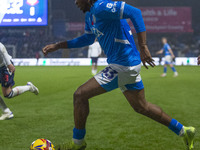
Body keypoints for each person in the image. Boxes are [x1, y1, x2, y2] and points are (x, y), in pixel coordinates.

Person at [42, 0, 195, 150]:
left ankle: (78, 143)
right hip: (126, 64)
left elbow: (135, 12)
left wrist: (143, 46)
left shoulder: (101, 7)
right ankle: (184, 131)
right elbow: (88, 38)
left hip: (123, 64)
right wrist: (59, 46)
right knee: (142, 107)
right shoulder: (90, 15)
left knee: (80, 95)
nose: (75, 2)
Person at [0, 42, 39, 120]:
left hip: (5, 67)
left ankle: (29, 87)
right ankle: (6, 112)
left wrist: (9, 64)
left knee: (8, 94)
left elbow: (2, 48)